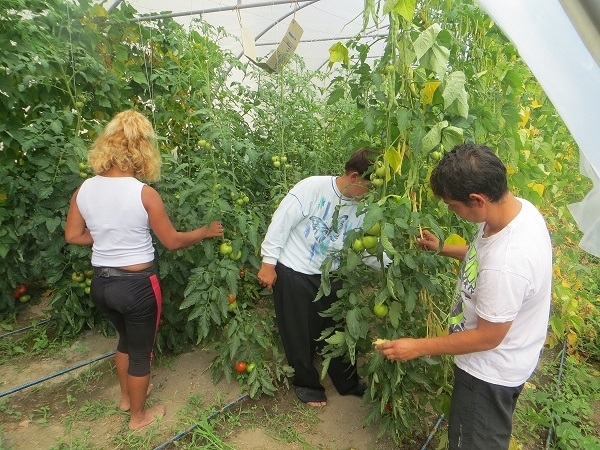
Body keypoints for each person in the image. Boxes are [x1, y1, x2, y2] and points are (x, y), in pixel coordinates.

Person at [376, 143, 552, 449]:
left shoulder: (509, 261)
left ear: (477, 199)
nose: (450, 210)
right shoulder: (516, 212)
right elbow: (481, 255)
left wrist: (418, 347)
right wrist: (442, 248)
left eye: (452, 205)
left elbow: (487, 337)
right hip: (504, 360)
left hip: (489, 375)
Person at [65, 110, 223, 430]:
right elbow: (172, 241)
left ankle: (126, 399)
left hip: (102, 284)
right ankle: (139, 417)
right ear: (142, 151)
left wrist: (108, 233)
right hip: (137, 286)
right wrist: (204, 231)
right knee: (140, 352)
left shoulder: (84, 189)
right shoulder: (143, 193)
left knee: (124, 341)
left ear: (108, 145)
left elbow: (73, 235)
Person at [257, 148, 375, 407]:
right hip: (294, 271)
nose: (372, 193)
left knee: (338, 329)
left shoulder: (364, 208)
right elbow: (281, 223)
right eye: (370, 186)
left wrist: (389, 267)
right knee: (298, 332)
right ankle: (307, 385)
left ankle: (348, 382)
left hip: (331, 274)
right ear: (355, 176)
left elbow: (364, 247)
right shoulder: (312, 188)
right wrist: (269, 263)